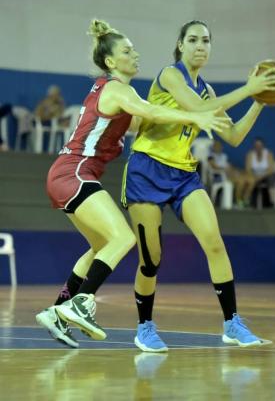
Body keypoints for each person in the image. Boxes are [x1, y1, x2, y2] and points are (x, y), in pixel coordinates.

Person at [35, 18, 229, 348]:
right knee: (123, 237)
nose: (135, 54)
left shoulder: (119, 94)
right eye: (128, 50)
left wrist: (188, 111)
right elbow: (150, 111)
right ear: (111, 61)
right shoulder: (118, 89)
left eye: (134, 48)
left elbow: (148, 120)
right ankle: (81, 303)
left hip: (66, 174)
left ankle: (57, 310)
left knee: (100, 247)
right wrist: (195, 114)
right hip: (75, 172)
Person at [121, 20, 275, 352]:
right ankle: (144, 327)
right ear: (180, 45)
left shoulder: (207, 90)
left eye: (206, 40)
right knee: (151, 259)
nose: (200, 45)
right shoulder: (170, 75)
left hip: (182, 174)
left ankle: (232, 323)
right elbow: (196, 109)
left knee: (215, 242)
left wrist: (259, 101)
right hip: (146, 170)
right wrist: (248, 88)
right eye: (192, 39)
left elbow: (233, 136)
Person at [245, 138, 275, 208]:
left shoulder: (268, 154)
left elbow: (272, 169)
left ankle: (272, 201)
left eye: (260, 145)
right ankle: (247, 201)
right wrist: (255, 176)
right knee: (249, 179)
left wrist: (261, 176)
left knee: (271, 178)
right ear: (254, 146)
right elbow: (248, 169)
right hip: (254, 176)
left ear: (263, 146)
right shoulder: (250, 155)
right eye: (256, 146)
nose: (258, 147)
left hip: (266, 175)